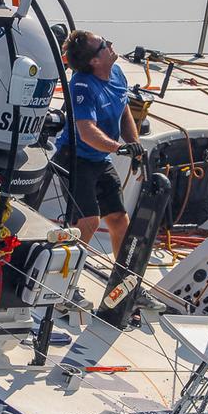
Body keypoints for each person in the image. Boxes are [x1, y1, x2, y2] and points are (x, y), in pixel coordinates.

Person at [53, 30, 163, 312]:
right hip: (75, 158)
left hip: (99, 159)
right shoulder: (82, 86)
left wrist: (135, 146)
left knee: (118, 219)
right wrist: (118, 148)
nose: (111, 44)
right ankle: (63, 290)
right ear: (93, 61)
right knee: (88, 222)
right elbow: (86, 131)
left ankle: (125, 286)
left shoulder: (117, 75)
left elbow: (124, 112)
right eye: (104, 45)